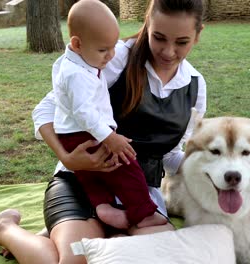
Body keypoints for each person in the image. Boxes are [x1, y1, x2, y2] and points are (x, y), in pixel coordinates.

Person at [0, 0, 207, 263]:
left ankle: (99, 236)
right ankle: (3, 228)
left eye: (181, 42)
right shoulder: (113, 57)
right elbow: (44, 112)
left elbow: (171, 155)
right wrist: (67, 158)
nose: (168, 52)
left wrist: (215, 172)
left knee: (155, 258)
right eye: (158, 37)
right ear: (147, 25)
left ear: (197, 36)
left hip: (138, 194)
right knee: (73, 262)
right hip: (81, 181)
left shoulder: (194, 86)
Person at [53, 0, 167, 230]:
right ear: (77, 44)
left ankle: (103, 206)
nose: (110, 55)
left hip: (72, 135)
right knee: (126, 164)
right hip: (87, 134)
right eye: (103, 50)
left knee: (93, 176)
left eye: (113, 46)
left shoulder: (73, 62)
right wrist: (109, 137)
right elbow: (83, 111)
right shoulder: (78, 75)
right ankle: (143, 211)